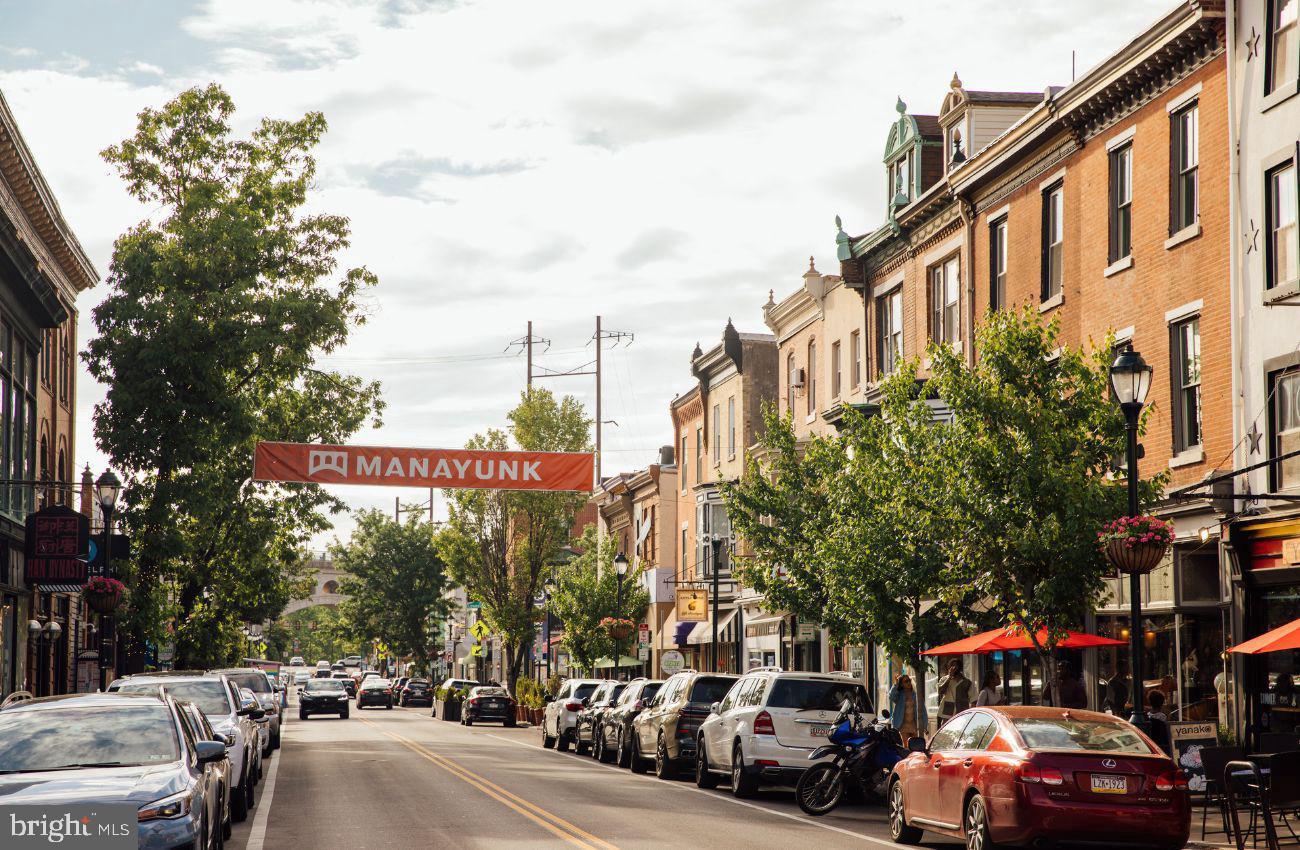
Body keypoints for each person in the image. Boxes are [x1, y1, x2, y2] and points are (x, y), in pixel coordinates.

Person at [888, 673, 926, 740]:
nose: (908, 683)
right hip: (902, 724)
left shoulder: (915, 695)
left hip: (913, 724)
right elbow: (891, 696)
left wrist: (924, 725)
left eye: (909, 680)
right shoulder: (899, 695)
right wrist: (896, 684)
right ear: (902, 684)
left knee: (914, 744)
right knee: (905, 744)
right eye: (906, 681)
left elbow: (923, 710)